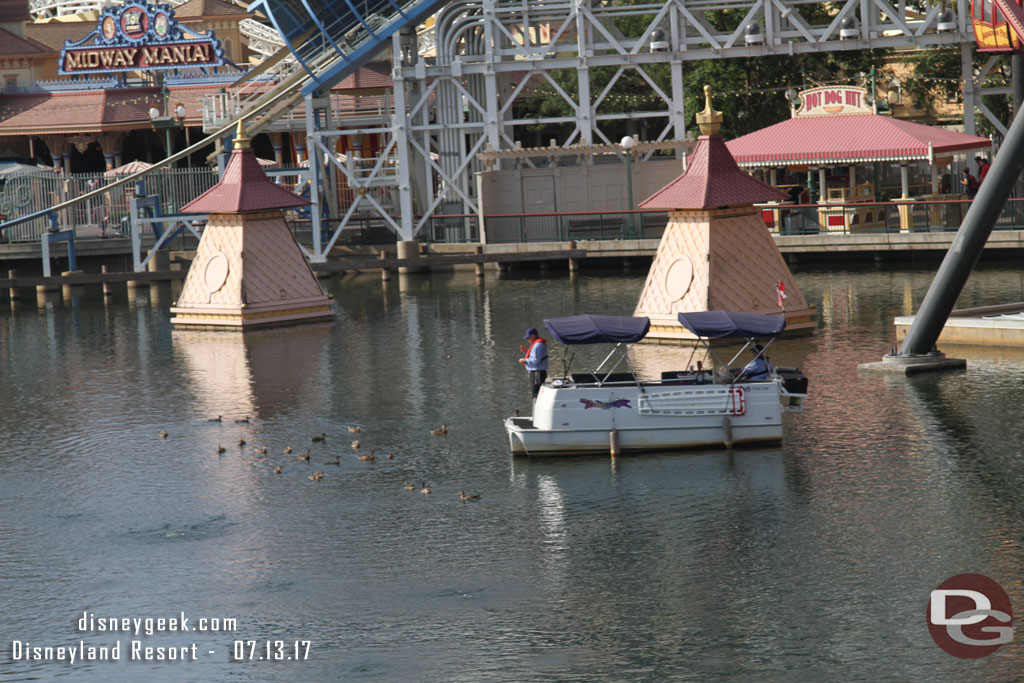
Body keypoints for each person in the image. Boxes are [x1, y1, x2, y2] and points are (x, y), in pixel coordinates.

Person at [518, 327, 548, 399]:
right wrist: (526, 351)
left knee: (536, 394)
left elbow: (536, 360)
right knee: (535, 393)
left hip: (537, 373)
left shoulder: (538, 345)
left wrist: (524, 360)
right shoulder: (538, 344)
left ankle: (537, 409)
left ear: (533, 336)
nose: (527, 339)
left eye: (528, 337)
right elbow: (536, 355)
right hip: (536, 372)